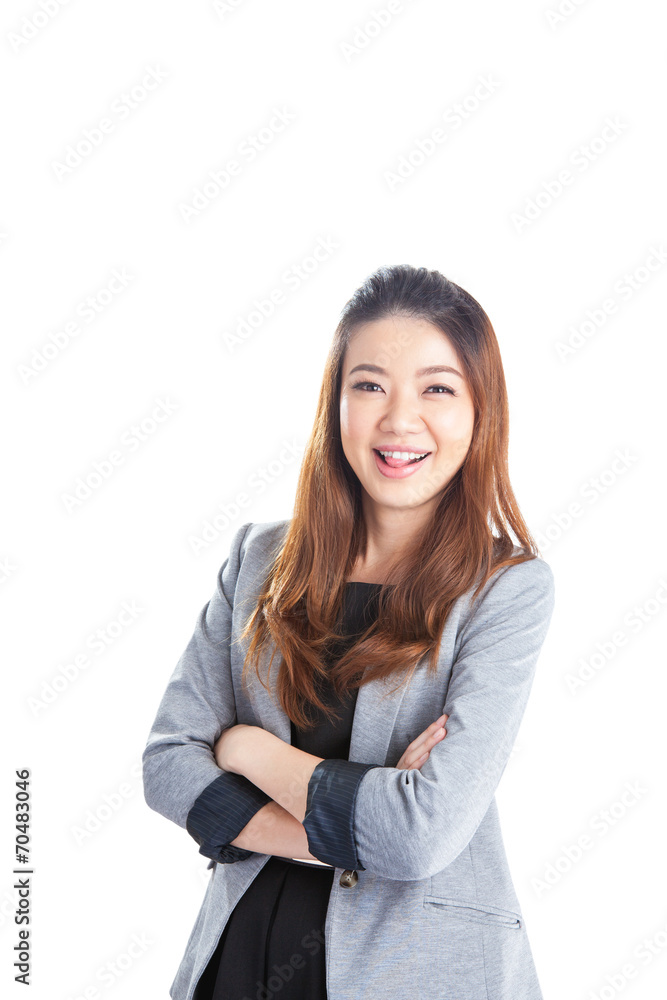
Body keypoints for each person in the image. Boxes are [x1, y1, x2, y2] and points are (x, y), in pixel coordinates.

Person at [142, 264, 556, 1000]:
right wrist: (343, 828)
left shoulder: (507, 588)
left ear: (480, 410)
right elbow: (168, 763)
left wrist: (247, 750)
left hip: (416, 970)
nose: (399, 420)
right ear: (335, 404)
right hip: (241, 955)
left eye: (437, 389)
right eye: (369, 385)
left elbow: (420, 834)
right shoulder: (259, 560)